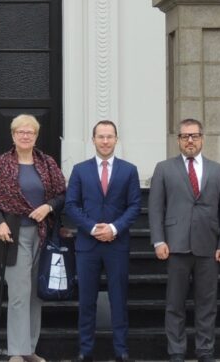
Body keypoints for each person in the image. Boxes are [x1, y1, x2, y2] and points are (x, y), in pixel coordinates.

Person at [148, 118, 220, 362]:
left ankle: (204, 350)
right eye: (185, 136)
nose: (190, 141)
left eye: (194, 136)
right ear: (178, 140)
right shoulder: (164, 169)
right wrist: (158, 241)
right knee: (175, 304)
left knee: (207, 304)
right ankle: (176, 351)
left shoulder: (219, 171)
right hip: (175, 246)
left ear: (202, 138)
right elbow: (155, 210)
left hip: (208, 246)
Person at [0, 114, 67, 362]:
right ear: (13, 135)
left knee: (35, 293)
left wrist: (48, 207)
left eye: (30, 132)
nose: (25, 135)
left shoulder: (47, 163)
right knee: (20, 293)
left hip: (42, 233)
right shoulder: (2, 164)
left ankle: (29, 348)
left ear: (36, 135)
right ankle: (16, 352)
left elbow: (62, 194)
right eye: (20, 131)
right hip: (14, 234)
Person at [65, 120, 141, 362]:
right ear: (93, 140)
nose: (105, 141)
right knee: (87, 299)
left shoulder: (129, 170)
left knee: (118, 298)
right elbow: (71, 205)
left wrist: (113, 228)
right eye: (101, 137)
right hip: (87, 245)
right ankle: (85, 349)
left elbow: (135, 205)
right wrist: (91, 227)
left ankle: (121, 350)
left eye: (110, 137)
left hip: (117, 244)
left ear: (116, 139)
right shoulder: (80, 169)